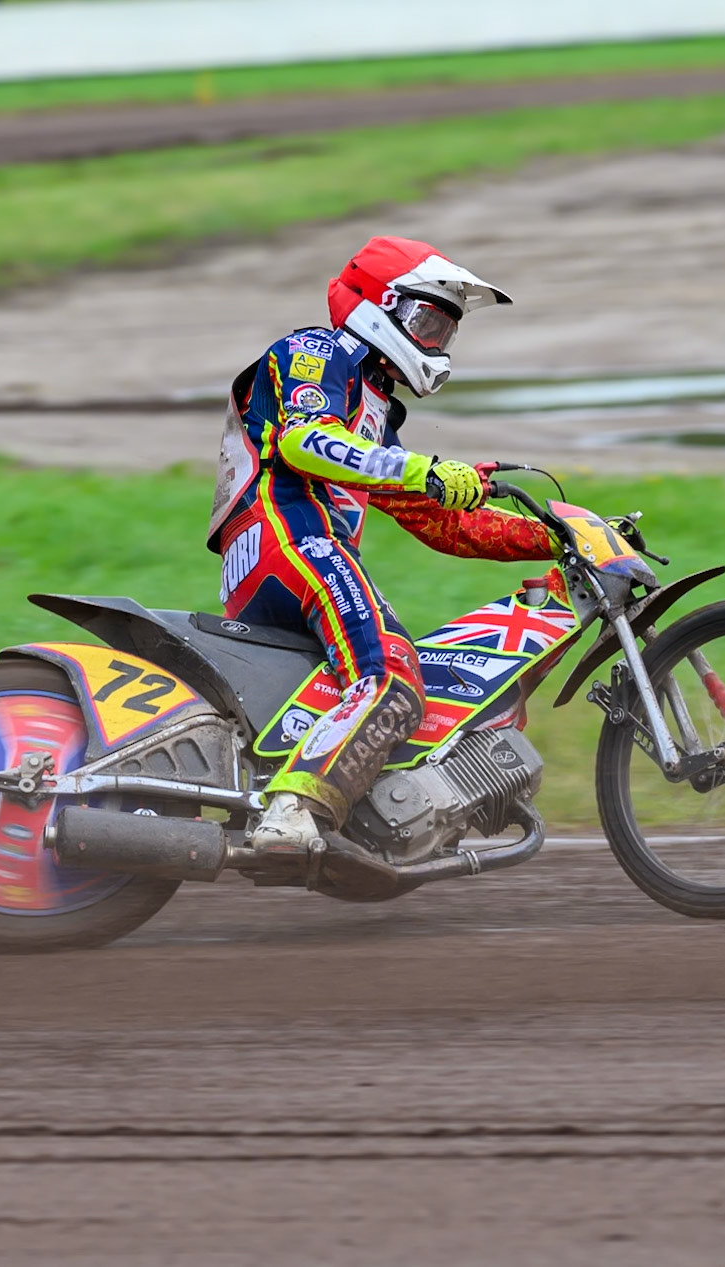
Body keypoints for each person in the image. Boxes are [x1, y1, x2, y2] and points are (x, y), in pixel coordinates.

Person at [207, 236, 556, 851]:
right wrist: (425, 469)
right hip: (290, 537)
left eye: (443, 331)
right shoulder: (314, 349)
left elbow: (435, 521)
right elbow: (303, 441)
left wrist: (557, 539)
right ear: (379, 305)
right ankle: (293, 812)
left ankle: (347, 816)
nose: (432, 342)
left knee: (364, 681)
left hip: (281, 556)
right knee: (392, 674)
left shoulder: (378, 410)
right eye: (424, 321)